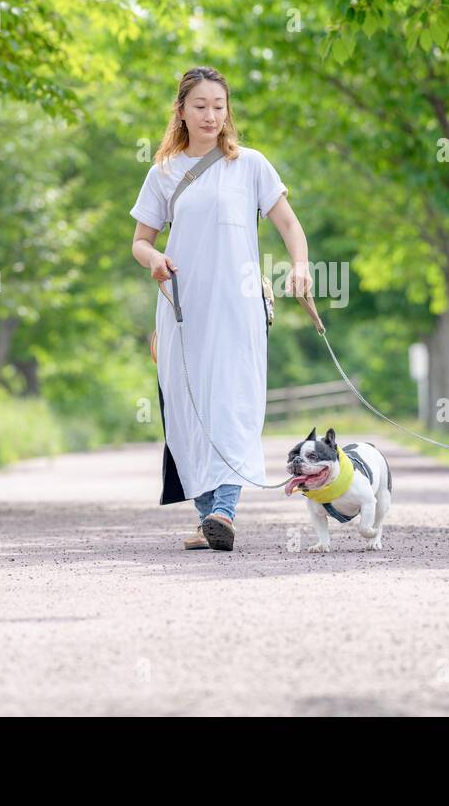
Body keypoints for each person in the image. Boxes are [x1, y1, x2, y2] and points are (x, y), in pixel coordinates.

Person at [129, 66, 313, 551]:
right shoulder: (163, 172)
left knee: (232, 406)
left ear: (228, 110)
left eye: (219, 106)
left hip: (238, 308)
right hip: (182, 307)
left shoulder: (250, 164)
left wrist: (301, 267)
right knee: (189, 411)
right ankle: (209, 517)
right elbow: (140, 242)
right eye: (200, 106)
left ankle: (224, 511)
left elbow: (290, 226)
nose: (211, 115)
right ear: (182, 111)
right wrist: (155, 260)